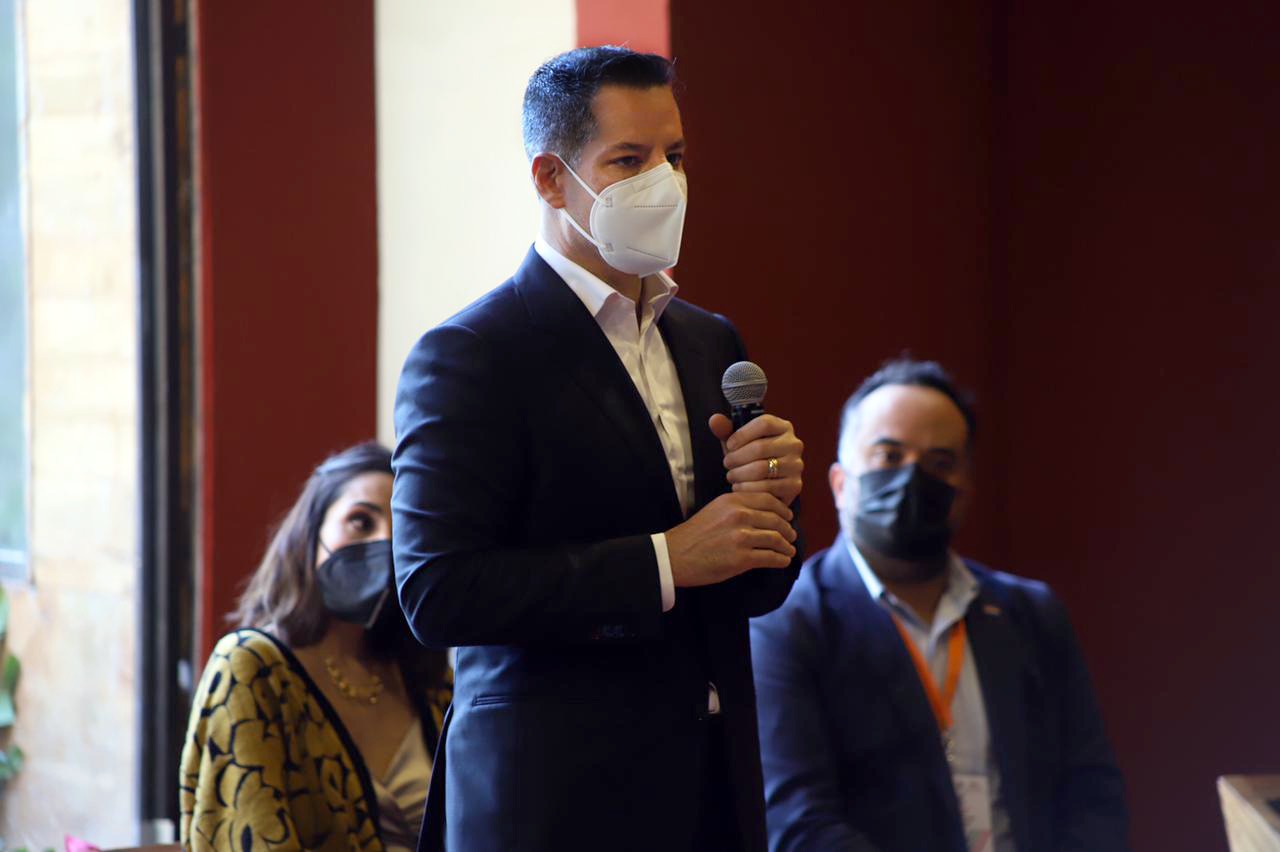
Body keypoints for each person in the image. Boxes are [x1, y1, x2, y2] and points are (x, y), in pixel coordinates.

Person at [391, 46, 805, 852]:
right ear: (551, 179)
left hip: (710, 789)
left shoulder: (709, 340)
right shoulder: (473, 354)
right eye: (629, 160)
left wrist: (773, 502)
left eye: (674, 156)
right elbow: (437, 591)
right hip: (553, 801)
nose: (665, 182)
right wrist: (664, 561)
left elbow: (755, 589)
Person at [750, 358, 1128, 852]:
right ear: (840, 483)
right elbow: (798, 823)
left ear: (963, 489)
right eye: (889, 456)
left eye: (940, 463)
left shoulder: (1032, 614)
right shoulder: (789, 621)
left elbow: (1093, 793)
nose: (913, 478)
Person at [179, 442, 452, 852]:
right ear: (310, 535)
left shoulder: (429, 682)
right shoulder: (250, 668)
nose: (383, 543)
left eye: (401, 530)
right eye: (361, 521)